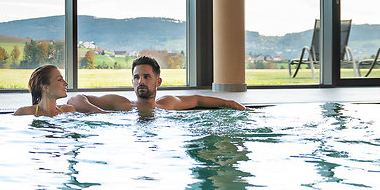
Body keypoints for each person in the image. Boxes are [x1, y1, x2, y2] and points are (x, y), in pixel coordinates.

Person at [66, 56, 246, 112]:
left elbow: (198, 99)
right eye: (137, 77)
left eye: (146, 77)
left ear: (158, 81)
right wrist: (100, 113)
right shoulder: (121, 104)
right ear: (132, 82)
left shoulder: (168, 103)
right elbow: (75, 99)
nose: (141, 81)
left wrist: (230, 103)